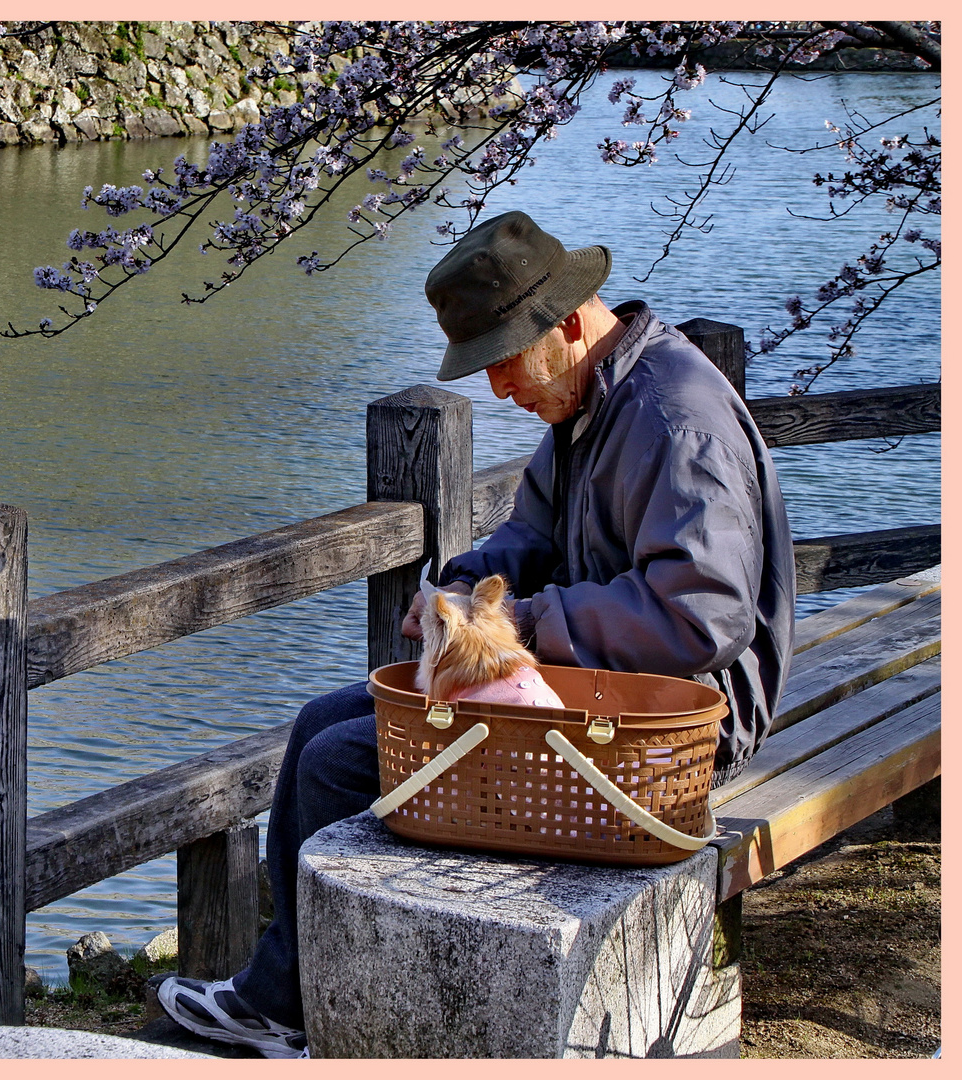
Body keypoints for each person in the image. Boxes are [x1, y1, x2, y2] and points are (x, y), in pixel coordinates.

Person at [155, 210, 796, 1058]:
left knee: (339, 763)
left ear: (567, 323)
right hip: (596, 691)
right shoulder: (591, 399)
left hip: (677, 729)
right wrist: (460, 587)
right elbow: (527, 541)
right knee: (320, 721)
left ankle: (330, 1010)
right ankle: (284, 1000)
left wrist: (520, 625)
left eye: (502, 362)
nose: (498, 390)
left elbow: (700, 617)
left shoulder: (673, 419)